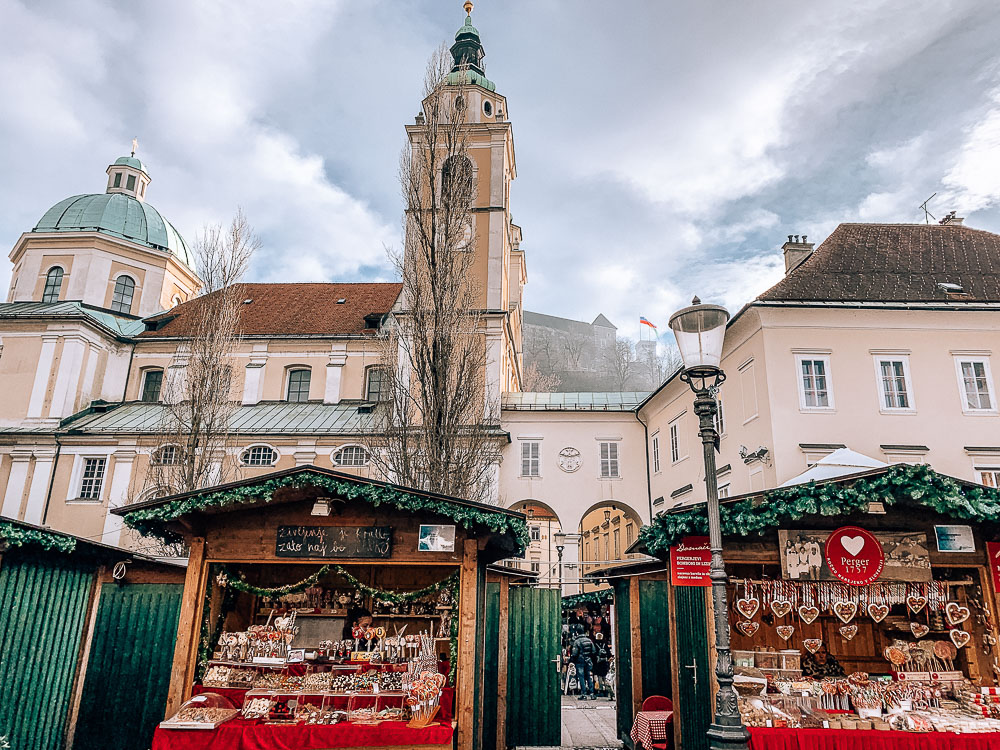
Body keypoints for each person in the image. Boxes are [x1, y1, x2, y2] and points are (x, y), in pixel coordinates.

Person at [570, 624, 597, 700]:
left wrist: (572, 660)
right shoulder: (589, 640)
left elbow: (574, 653)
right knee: (588, 676)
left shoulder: (577, 641)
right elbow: (594, 651)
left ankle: (583, 693)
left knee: (581, 677)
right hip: (588, 660)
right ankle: (592, 693)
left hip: (580, 661)